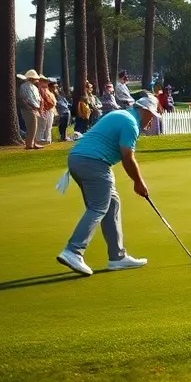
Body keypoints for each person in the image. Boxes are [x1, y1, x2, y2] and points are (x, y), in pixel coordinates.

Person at [55, 92, 161, 276]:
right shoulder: (130, 123)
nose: (152, 121)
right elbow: (128, 158)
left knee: (111, 204)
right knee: (98, 207)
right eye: (151, 115)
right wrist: (139, 182)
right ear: (144, 110)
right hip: (93, 162)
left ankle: (117, 257)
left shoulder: (120, 115)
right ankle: (73, 250)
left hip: (78, 160)